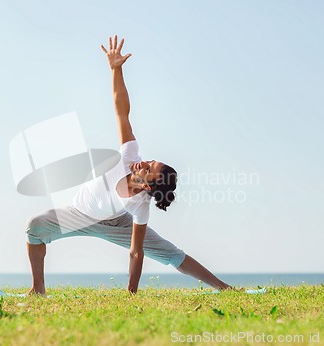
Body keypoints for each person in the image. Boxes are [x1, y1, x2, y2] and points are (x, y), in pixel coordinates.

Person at [26, 35, 232, 295]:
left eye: (148, 168)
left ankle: (225, 288)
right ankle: (38, 289)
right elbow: (121, 110)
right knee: (35, 226)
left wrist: (131, 294)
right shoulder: (129, 155)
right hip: (78, 213)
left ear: (147, 185)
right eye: (150, 161)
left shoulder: (140, 205)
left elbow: (136, 252)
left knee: (171, 253)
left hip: (116, 222)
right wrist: (116, 69)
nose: (143, 163)